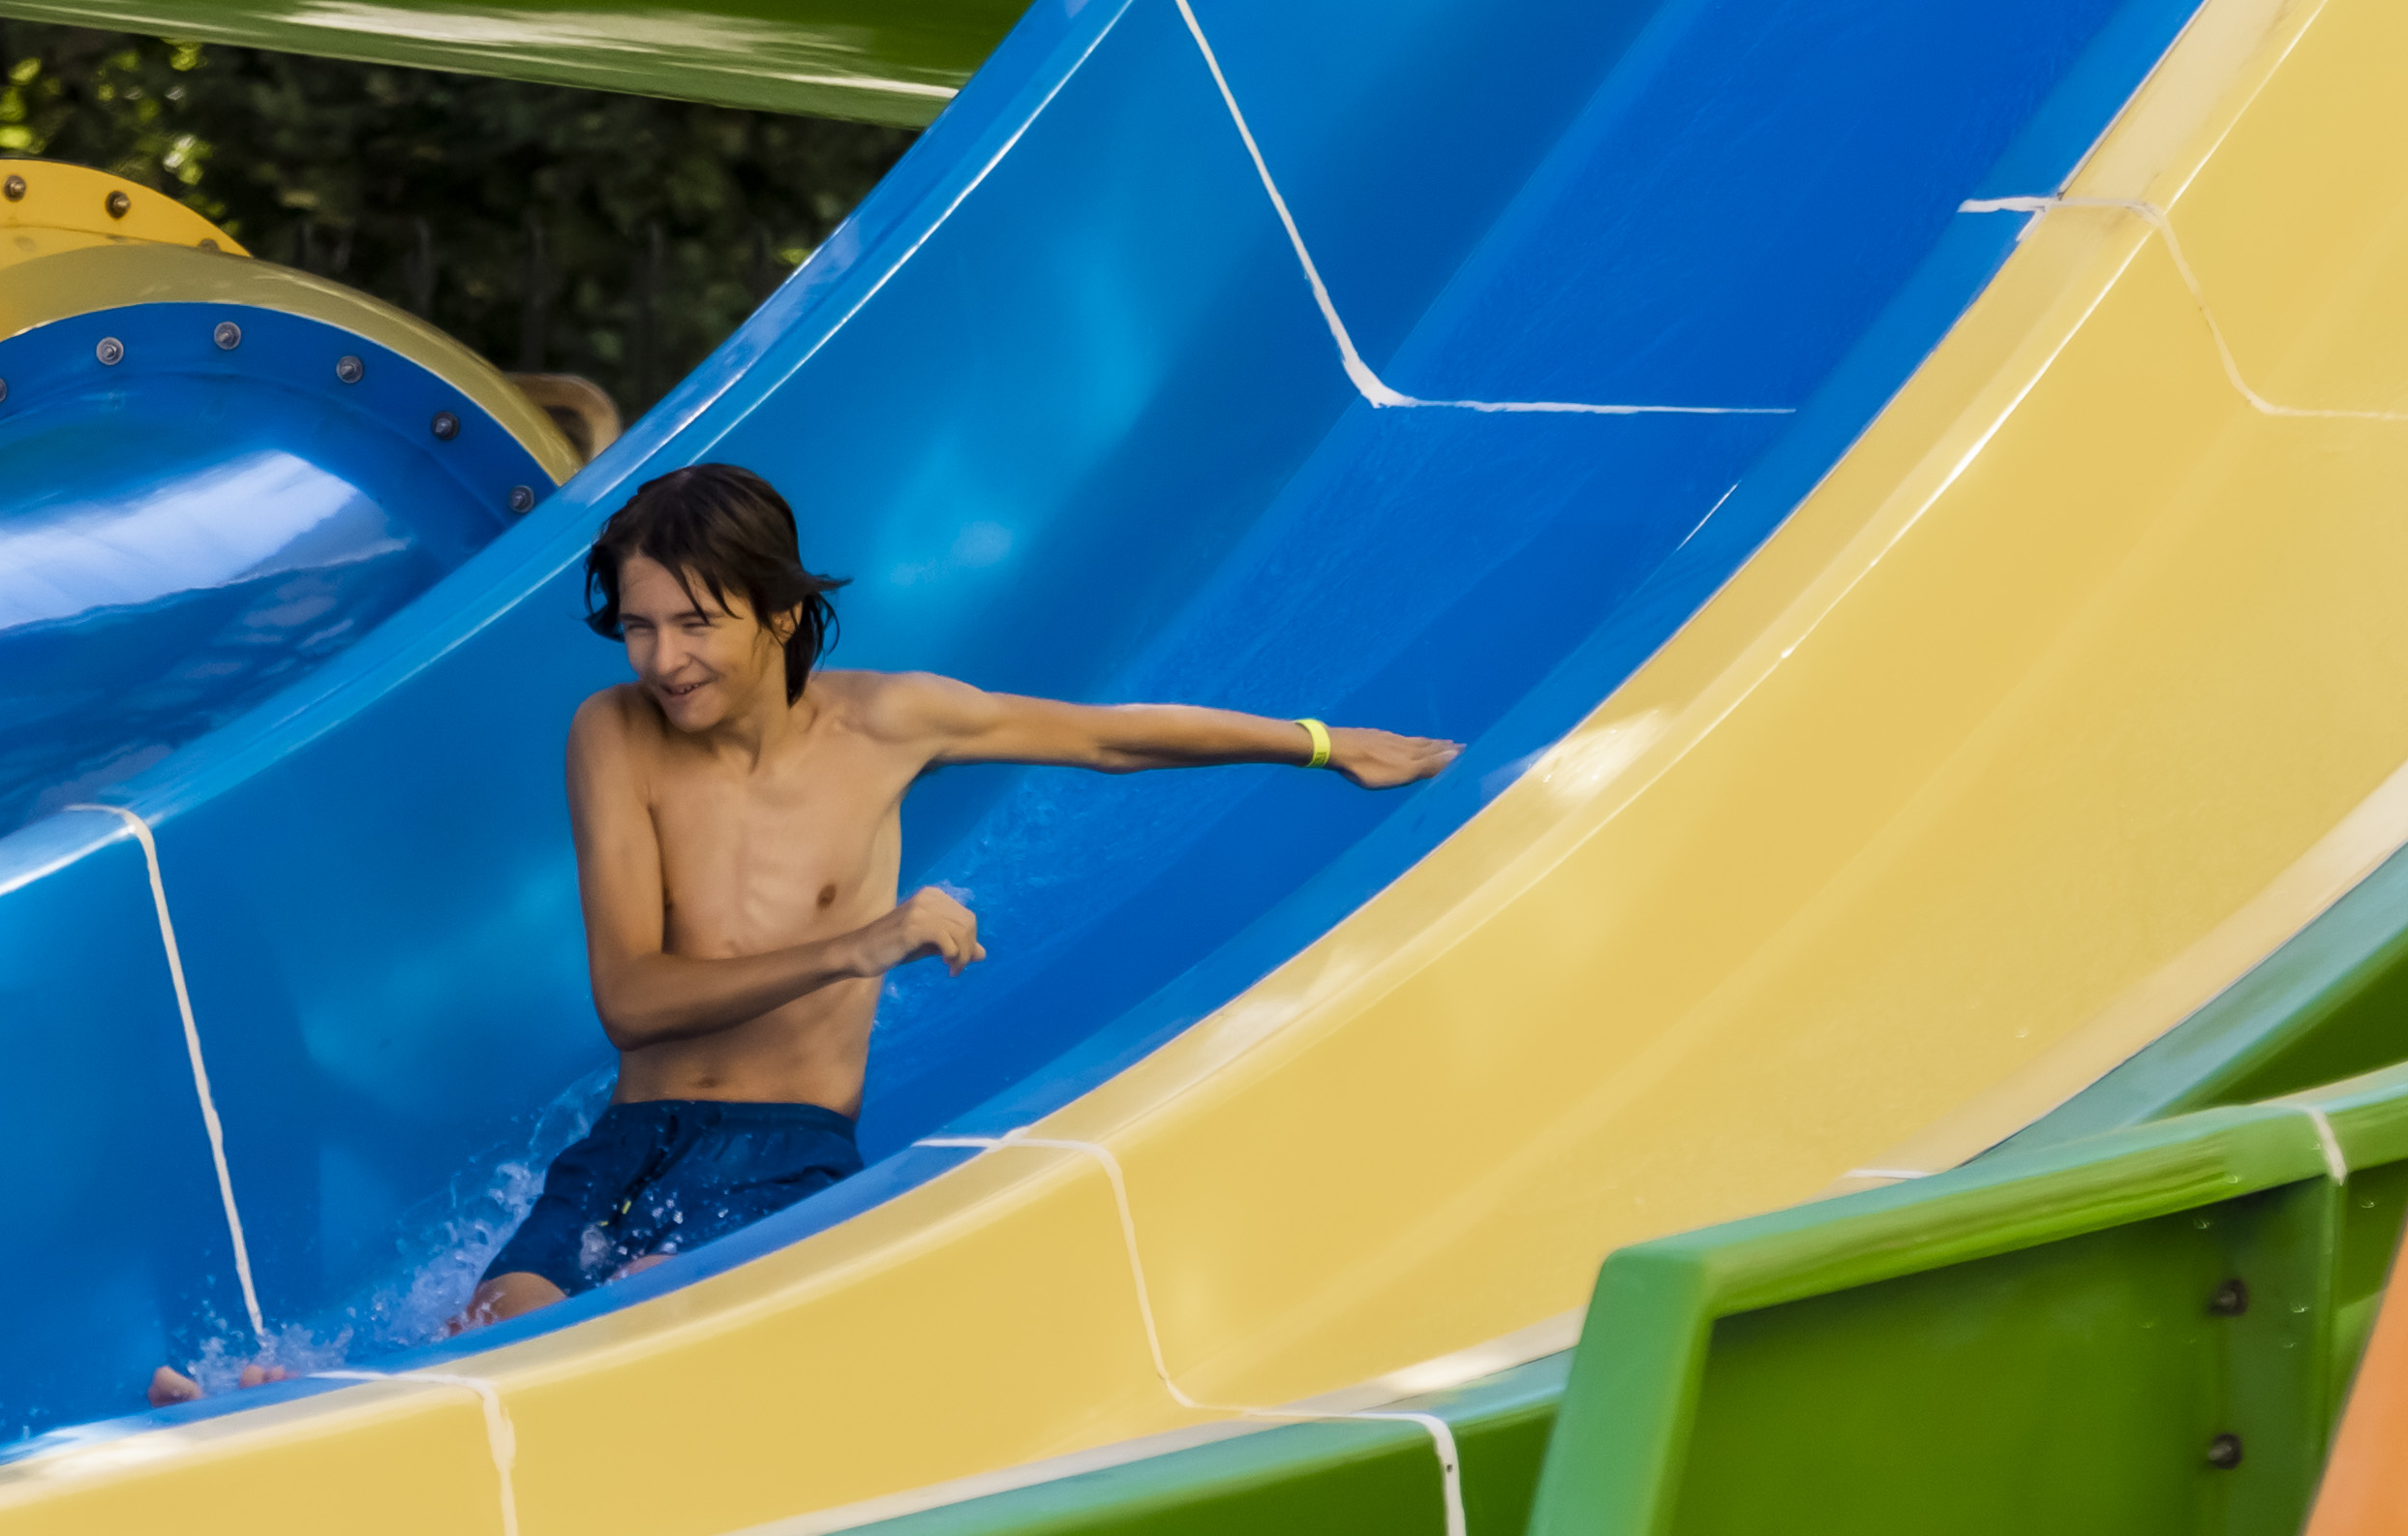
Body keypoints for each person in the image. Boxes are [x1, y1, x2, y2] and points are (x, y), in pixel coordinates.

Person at [149, 461, 1454, 1399]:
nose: (662, 660)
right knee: (497, 1330)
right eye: (639, 627)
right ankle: (268, 1411)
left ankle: (281, 1410)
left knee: (606, 1360)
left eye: (694, 623)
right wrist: (858, 943)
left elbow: (1109, 737)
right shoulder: (612, 735)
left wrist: (1325, 744)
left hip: (784, 1155)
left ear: (779, 612)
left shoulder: (891, 724)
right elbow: (631, 998)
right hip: (626, 1141)